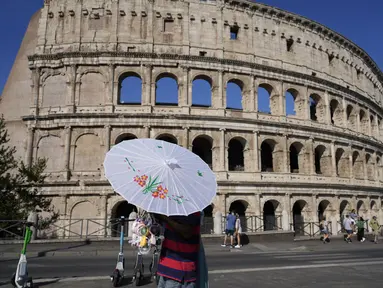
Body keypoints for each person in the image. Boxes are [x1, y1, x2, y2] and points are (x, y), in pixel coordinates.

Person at [155, 212, 201, 288]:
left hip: (180, 271)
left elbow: (187, 231)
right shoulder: (173, 208)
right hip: (166, 268)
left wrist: (165, 218)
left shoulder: (190, 210)